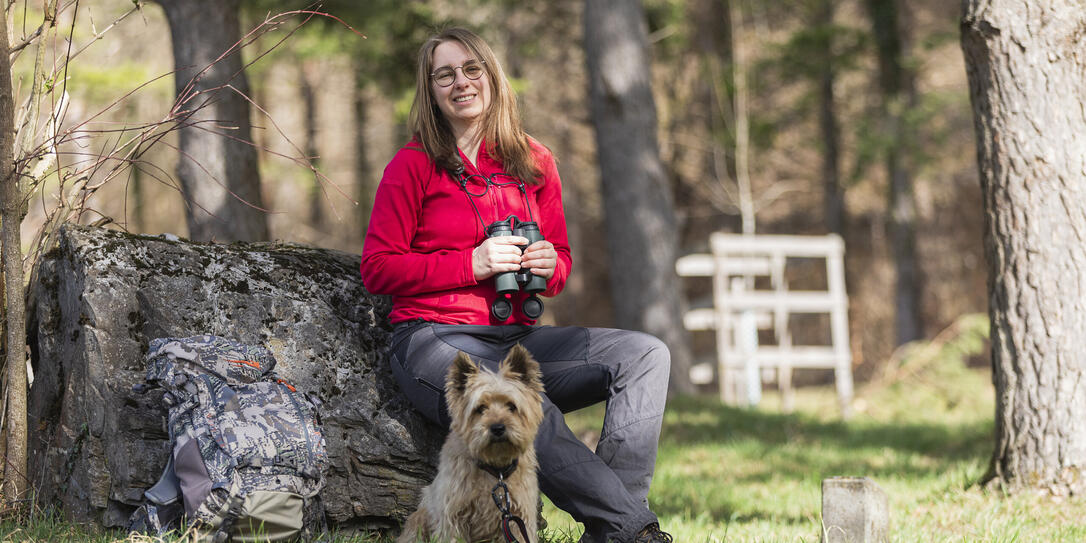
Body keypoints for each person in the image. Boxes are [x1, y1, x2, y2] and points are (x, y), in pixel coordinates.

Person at [360, 27, 673, 543]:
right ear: (431, 90)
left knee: (645, 355)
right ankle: (634, 532)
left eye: (471, 69)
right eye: (445, 75)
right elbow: (378, 267)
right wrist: (473, 263)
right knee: (527, 401)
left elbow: (562, 260)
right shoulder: (412, 166)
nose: (461, 83)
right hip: (435, 340)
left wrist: (552, 265)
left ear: (491, 76)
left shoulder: (534, 161)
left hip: (517, 337)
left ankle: (615, 527)